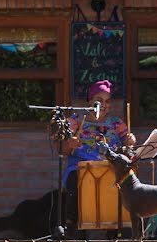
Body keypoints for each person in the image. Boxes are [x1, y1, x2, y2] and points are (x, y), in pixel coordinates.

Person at [58, 79, 136, 232]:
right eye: (99, 100)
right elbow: (63, 150)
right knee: (74, 178)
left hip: (111, 169)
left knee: (128, 180)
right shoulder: (75, 121)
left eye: (107, 101)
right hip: (81, 169)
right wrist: (69, 144)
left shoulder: (116, 123)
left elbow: (128, 144)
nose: (104, 104)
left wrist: (130, 141)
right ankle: (71, 225)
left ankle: (121, 228)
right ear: (90, 101)